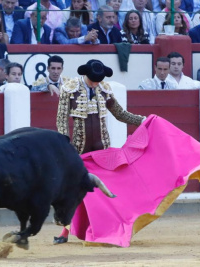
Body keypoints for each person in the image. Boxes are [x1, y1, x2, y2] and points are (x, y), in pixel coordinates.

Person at [54, 59, 145, 244]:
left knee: (106, 189)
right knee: (75, 191)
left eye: (98, 80)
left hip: (102, 148)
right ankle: (65, 231)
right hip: (78, 149)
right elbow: (62, 119)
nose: (96, 83)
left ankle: (108, 228)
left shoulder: (104, 89)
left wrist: (142, 121)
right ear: (86, 74)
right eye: (93, 80)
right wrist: (64, 142)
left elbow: (120, 114)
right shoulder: (69, 88)